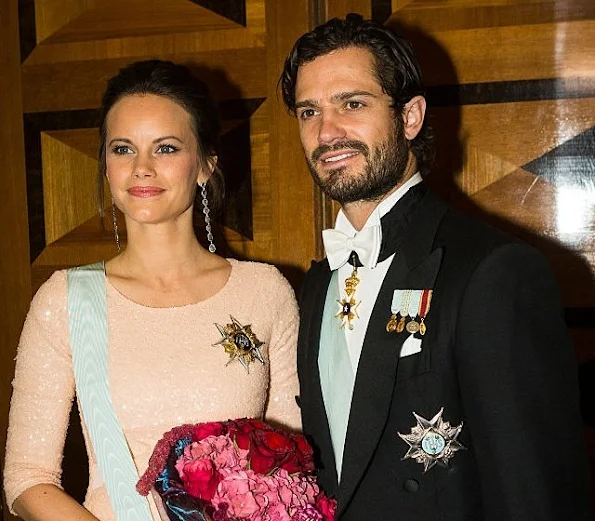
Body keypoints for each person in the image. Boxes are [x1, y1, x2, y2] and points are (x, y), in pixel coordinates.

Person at [280, 13, 591, 521]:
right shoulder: (317, 284)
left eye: (352, 104)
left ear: (410, 117)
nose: (327, 131)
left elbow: (536, 494)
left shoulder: (495, 271)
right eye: (308, 111)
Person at [4, 60, 300, 521]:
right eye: (123, 149)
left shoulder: (265, 293)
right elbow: (26, 476)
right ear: (106, 165)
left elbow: (290, 466)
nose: (141, 168)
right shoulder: (65, 301)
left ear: (204, 164)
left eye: (165, 148)